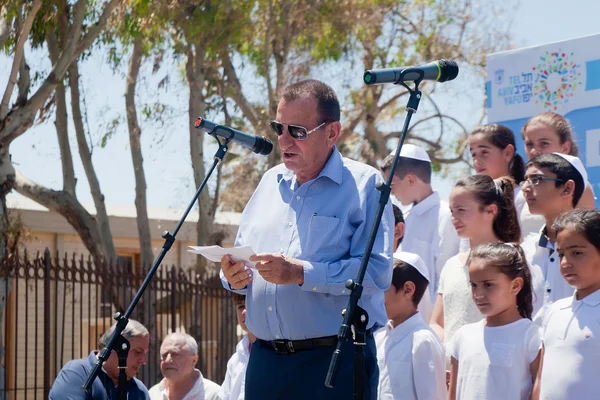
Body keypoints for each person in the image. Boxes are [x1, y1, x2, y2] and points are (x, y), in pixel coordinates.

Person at [219, 79, 394, 399]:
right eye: (278, 127)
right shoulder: (269, 184)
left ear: (332, 133)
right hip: (265, 363)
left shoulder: (365, 185)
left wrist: (301, 273)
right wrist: (232, 276)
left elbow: (376, 272)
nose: (284, 140)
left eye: (297, 131)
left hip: (331, 363)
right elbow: (241, 258)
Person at [430, 175, 520, 346]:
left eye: (461, 210)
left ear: (490, 211)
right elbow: (436, 322)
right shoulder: (451, 265)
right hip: (452, 369)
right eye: (452, 211)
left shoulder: (513, 260)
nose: (454, 218)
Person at [447, 243, 541, 400]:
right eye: (474, 285)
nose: (478, 294)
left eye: (488, 285)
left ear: (516, 285)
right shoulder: (463, 336)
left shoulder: (532, 336)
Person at [531, 209, 600, 399]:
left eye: (577, 253)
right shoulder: (555, 310)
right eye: (561, 254)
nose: (565, 263)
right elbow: (541, 378)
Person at [380, 144, 460, 301]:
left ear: (410, 180)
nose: (391, 193)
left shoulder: (446, 216)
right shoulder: (404, 216)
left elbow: (447, 277)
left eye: (392, 186)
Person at [520, 153, 587, 321]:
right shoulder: (524, 250)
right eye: (525, 180)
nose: (525, 188)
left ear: (567, 188)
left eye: (536, 179)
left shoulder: (593, 246)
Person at [376, 254, 446, 400]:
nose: (374, 296)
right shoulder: (379, 337)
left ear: (407, 290)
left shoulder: (423, 341)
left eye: (381, 288)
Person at [518, 112, 595, 237]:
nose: (534, 151)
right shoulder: (523, 190)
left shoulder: (581, 188)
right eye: (529, 144)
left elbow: (586, 237)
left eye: (544, 143)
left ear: (565, 147)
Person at [49, 320, 150, 399]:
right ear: (115, 345)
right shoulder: (77, 373)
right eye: (138, 351)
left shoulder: (139, 391)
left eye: (145, 353)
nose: (143, 361)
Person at [468, 124, 526, 215]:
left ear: (507, 153)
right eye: (473, 154)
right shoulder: (476, 203)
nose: (476, 161)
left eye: (484, 152)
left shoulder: (525, 198)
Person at [149, 333, 220, 400]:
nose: (167, 360)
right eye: (164, 355)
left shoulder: (214, 395)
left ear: (194, 360)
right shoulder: (152, 394)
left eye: (175, 354)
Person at [219, 294, 256, 400]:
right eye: (240, 307)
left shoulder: (278, 353)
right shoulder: (235, 359)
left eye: (250, 305)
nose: (244, 312)